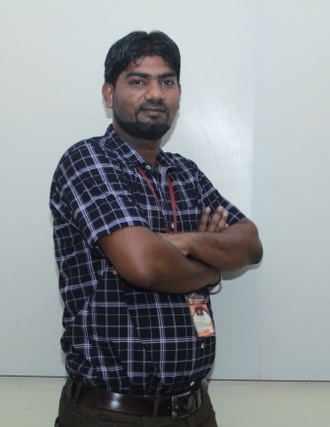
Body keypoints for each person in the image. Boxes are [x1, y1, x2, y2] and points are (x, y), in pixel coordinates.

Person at [49, 30, 263, 427]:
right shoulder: (88, 161)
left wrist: (185, 241)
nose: (155, 94)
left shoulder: (186, 173)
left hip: (195, 410)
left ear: (178, 93)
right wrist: (210, 269)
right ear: (109, 94)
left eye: (167, 82)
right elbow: (144, 266)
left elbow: (250, 243)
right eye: (138, 81)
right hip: (111, 414)